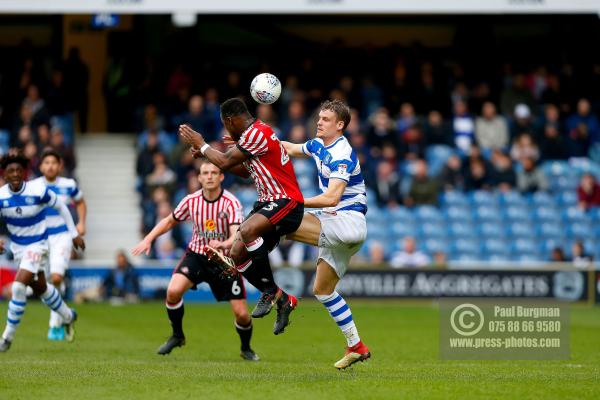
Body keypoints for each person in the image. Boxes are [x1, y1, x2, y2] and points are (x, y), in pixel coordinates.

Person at [178, 98, 304, 336]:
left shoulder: (257, 132)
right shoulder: (252, 136)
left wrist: (203, 144)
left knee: (246, 231)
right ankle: (283, 299)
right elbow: (244, 171)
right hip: (268, 203)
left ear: (230, 120)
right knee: (236, 254)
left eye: (226, 125)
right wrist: (206, 154)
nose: (227, 131)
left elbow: (225, 161)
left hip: (287, 202)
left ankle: (269, 291)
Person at [132, 161, 260, 361]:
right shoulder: (191, 201)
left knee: (242, 314)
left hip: (223, 260)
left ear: (221, 177)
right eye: (205, 173)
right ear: (199, 178)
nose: (209, 176)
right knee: (173, 292)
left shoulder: (231, 202)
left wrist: (223, 244)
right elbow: (169, 221)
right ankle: (177, 335)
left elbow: (237, 236)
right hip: (197, 255)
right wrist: (148, 239)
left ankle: (246, 348)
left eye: (214, 173)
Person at [280, 99, 370, 370]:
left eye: (326, 119)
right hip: (336, 223)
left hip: (347, 224)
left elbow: (332, 198)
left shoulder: (343, 153)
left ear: (340, 125)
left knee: (279, 219)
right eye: (319, 117)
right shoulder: (319, 144)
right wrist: (250, 142)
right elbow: (290, 148)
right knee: (322, 290)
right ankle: (356, 345)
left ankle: (272, 293)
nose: (319, 122)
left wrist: (295, 202)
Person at [0, 153, 85, 352]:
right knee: (41, 288)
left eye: (18, 170)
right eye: (10, 171)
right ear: (4, 174)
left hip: (39, 245)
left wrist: (74, 234)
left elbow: (62, 207)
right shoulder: (2, 196)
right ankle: (68, 316)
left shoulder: (38, 190)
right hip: (18, 249)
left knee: (19, 287)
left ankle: (6, 338)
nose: (15, 174)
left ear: (25, 173)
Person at [32, 150, 87, 341]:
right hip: (40, 238)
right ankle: (65, 315)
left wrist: (81, 223)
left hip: (62, 235)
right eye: (46, 162)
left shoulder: (68, 185)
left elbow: (80, 202)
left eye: (53, 162)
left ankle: (54, 326)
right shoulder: (33, 186)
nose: (50, 166)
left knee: (56, 277)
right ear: (41, 166)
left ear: (60, 165)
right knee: (45, 284)